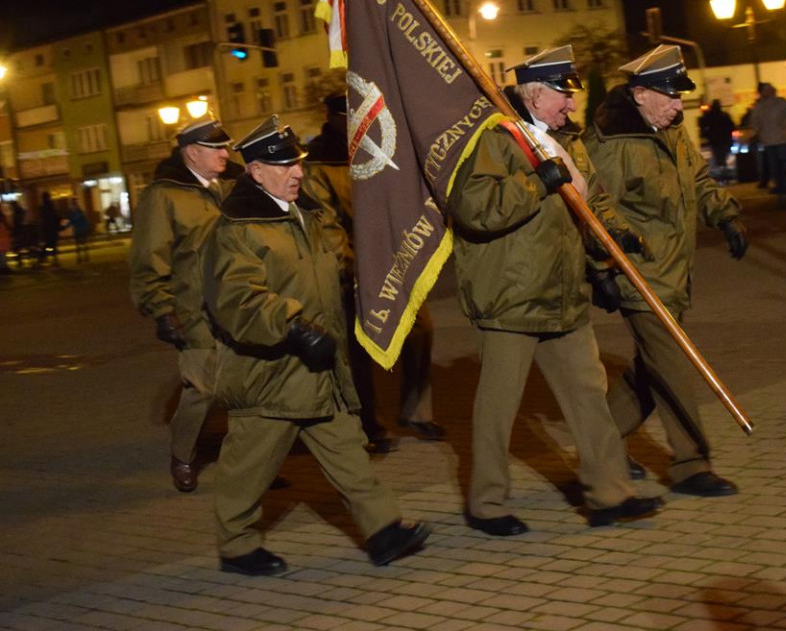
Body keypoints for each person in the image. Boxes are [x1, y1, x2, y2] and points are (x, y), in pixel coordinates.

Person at [449, 45, 662, 536]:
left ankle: (610, 493)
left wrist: (613, 246)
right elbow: (474, 208)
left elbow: (591, 201)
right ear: (536, 93)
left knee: (589, 395)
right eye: (563, 95)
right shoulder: (496, 139)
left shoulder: (566, 140)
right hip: (511, 297)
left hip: (563, 293)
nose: (571, 105)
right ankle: (486, 505)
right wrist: (534, 183)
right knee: (499, 409)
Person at [203, 115, 428, 576]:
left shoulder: (304, 215)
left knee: (348, 453)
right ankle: (237, 546)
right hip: (269, 373)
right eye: (283, 165)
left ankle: (383, 529)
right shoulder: (237, 228)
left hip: (319, 365)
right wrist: (293, 327)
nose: (297, 173)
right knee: (248, 469)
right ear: (255, 171)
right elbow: (236, 298)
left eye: (298, 163)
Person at [583, 44, 744, 497]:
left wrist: (724, 214)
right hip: (639, 277)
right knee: (673, 367)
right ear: (638, 93)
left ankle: (599, 445)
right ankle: (691, 464)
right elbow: (593, 210)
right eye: (670, 96)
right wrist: (601, 269)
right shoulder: (609, 144)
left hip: (674, 273)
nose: (679, 105)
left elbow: (697, 178)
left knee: (648, 373)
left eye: (680, 97)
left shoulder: (670, 129)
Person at [303, 91, 444, 454]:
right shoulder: (320, 164)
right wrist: (352, 267)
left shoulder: (383, 149)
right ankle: (370, 422)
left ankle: (415, 410)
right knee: (357, 351)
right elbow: (327, 224)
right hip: (355, 270)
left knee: (420, 332)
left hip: (395, 262)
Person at [129, 116, 243, 492]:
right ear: (192, 153)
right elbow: (149, 257)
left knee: (250, 384)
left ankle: (252, 460)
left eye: (225, 147)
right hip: (193, 309)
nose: (225, 153)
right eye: (216, 149)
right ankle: (183, 454)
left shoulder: (229, 187)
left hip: (240, 304)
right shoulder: (164, 195)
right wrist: (162, 310)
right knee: (203, 388)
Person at [749, 83, 786, 194]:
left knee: (778, 164)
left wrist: (760, 130)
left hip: (774, 139)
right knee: (779, 165)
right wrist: (783, 125)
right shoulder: (777, 103)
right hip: (775, 139)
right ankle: (783, 185)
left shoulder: (762, 106)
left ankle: (783, 185)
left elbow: (755, 122)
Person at [698, 99, 735, 179]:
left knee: (718, 157)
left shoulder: (709, 116)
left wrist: (707, 135)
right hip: (724, 140)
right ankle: (724, 172)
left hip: (715, 141)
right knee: (723, 156)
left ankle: (721, 173)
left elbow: (704, 127)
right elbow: (732, 126)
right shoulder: (724, 115)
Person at [64, 198, 92, 262]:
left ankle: (81, 257)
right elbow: (85, 219)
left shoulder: (73, 211)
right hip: (81, 228)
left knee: (79, 244)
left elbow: (71, 220)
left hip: (78, 229)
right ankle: (85, 256)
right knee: (82, 243)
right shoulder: (80, 210)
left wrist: (65, 227)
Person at [39, 192, 61, 265]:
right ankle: (53, 257)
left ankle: (45, 256)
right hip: (51, 228)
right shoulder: (50, 206)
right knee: (52, 244)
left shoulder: (43, 207)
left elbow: (42, 218)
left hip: (47, 229)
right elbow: (55, 216)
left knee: (48, 244)